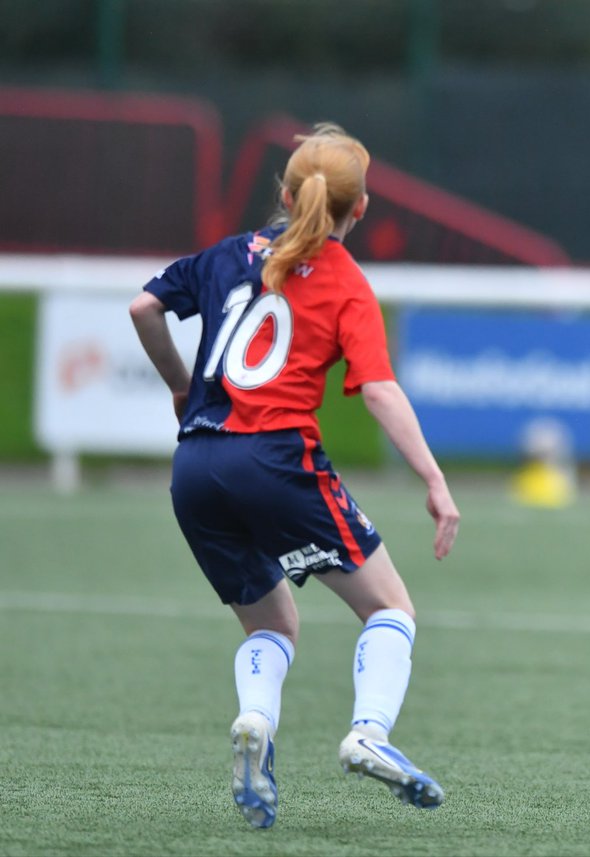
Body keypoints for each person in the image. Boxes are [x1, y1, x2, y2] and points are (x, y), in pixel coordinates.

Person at [129, 122, 461, 828]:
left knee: (272, 622)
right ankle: (369, 731)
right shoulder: (345, 281)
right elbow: (379, 390)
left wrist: (182, 387)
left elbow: (144, 306)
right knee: (389, 607)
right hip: (275, 460)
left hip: (195, 467)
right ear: (361, 209)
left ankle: (255, 719)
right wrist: (434, 480)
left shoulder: (226, 256)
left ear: (283, 193)